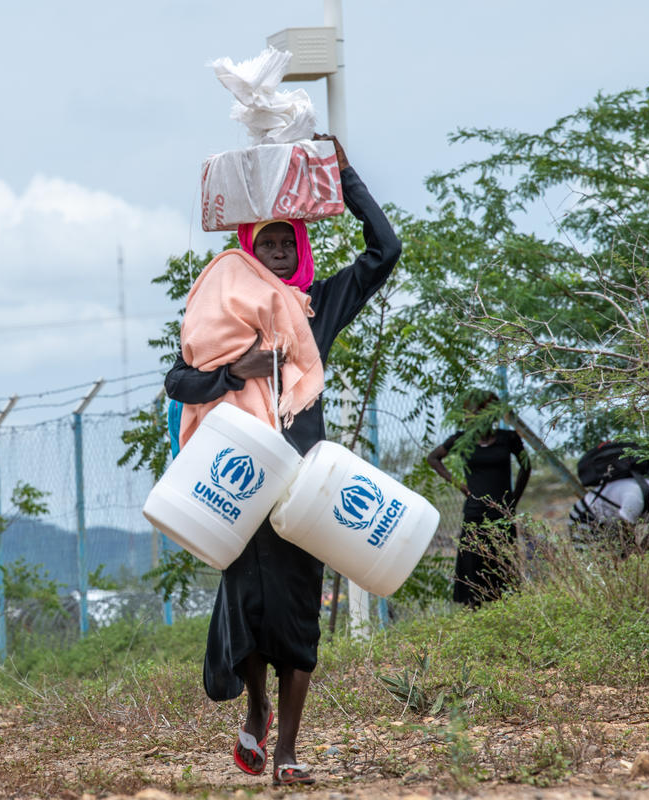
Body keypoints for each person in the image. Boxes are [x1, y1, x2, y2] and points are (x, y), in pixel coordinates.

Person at [164, 134, 400, 787]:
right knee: (249, 611)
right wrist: (230, 373)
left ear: (301, 249)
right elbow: (178, 383)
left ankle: (289, 750)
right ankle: (257, 709)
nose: (275, 252)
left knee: (298, 617)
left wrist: (347, 178)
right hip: (241, 489)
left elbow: (386, 252)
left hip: (305, 488)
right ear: (247, 248)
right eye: (264, 243)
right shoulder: (229, 314)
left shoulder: (317, 309)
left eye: (286, 243)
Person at [426, 391, 530, 607]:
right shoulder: (462, 440)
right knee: (473, 566)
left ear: (492, 415)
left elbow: (526, 467)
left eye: (483, 412)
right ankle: (474, 611)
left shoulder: (508, 439)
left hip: (502, 513)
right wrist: (459, 484)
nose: (476, 417)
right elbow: (433, 458)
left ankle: (508, 613)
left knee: (504, 564)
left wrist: (513, 500)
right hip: (474, 513)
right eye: (473, 413)